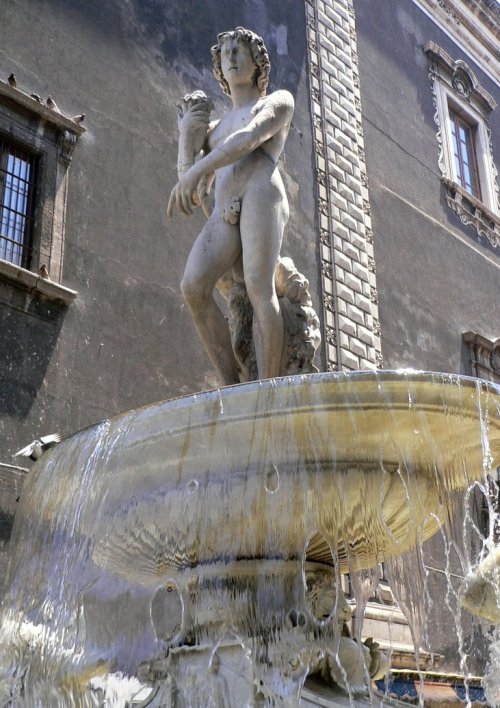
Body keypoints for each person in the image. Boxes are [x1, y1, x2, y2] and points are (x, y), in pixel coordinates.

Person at [167, 27, 294, 385]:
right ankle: (231, 385)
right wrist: (185, 140)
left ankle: (269, 389)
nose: (232, 57)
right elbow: (197, 194)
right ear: (219, 70)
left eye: (240, 50)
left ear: (258, 64)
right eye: (225, 53)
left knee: (258, 287)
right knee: (192, 286)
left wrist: (198, 170)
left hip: (262, 196)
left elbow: (250, 138)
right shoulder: (213, 131)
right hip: (228, 210)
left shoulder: (278, 101)